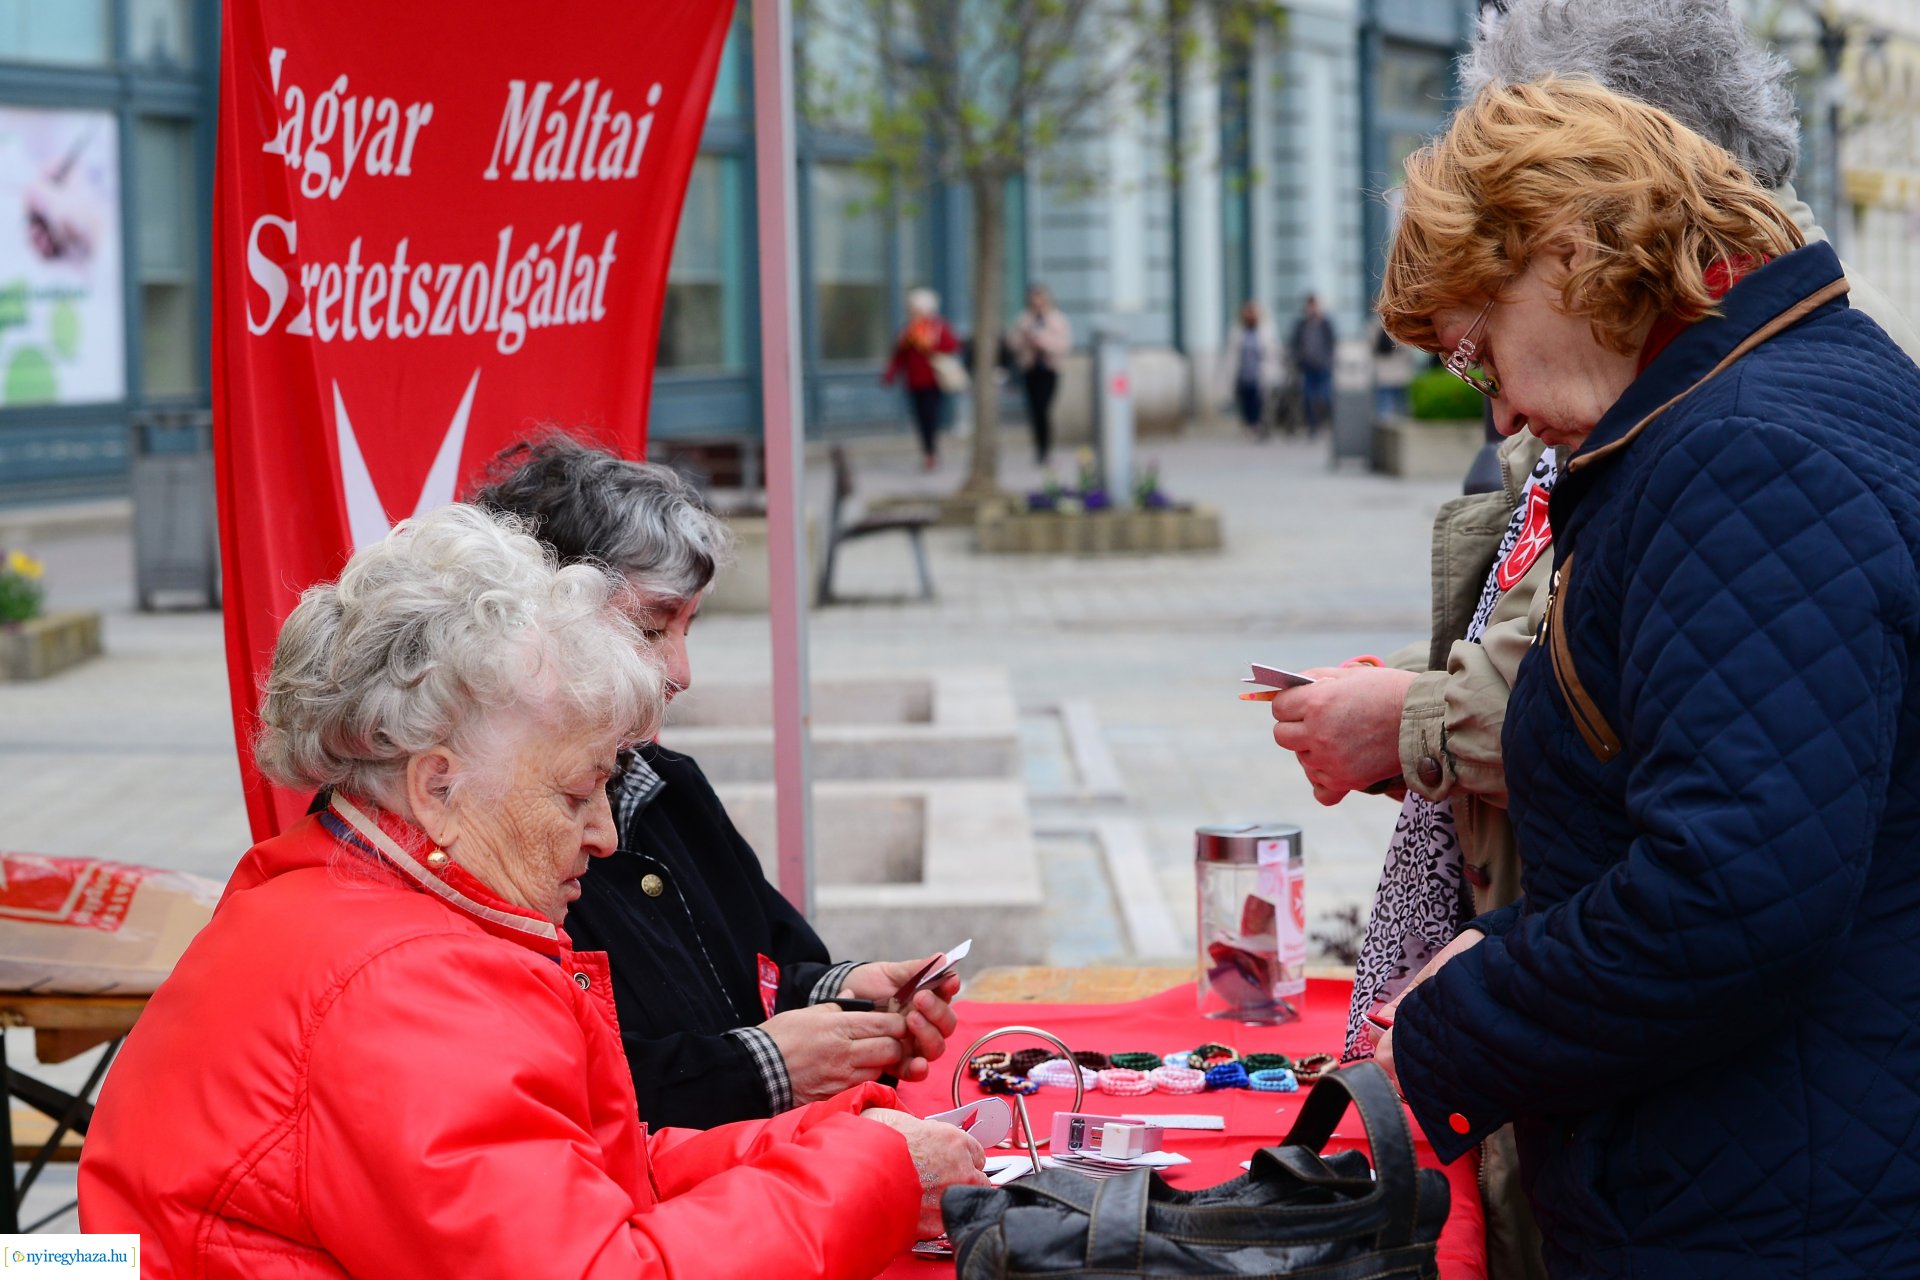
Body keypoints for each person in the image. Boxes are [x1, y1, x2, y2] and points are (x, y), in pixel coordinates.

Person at [1269, 7, 1920, 1270]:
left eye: (1477, 351)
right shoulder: (1806, 386)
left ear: (1565, 256)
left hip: (1765, 1205)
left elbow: (1729, 897)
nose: (1500, 402)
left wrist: (1463, 1016)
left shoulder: (1746, 456)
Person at [77, 504, 986, 1277]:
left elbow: (596, 1168)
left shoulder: (340, 890)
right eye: (574, 791)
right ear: (437, 786)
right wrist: (869, 1172)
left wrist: (840, 1145)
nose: (601, 832)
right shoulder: (409, 984)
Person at [469, 437, 961, 1130]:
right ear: (540, 630)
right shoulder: (480, 832)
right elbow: (549, 1092)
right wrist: (767, 1068)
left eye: (688, 627)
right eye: (650, 629)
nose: (681, 672)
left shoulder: (665, 784)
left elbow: (768, 965)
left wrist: (851, 1001)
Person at [882, 287, 961, 470]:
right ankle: (927, 452)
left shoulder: (938, 327)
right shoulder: (907, 330)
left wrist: (931, 345)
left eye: (914, 308)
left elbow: (952, 346)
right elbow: (899, 356)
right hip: (913, 381)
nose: (911, 312)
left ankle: (931, 452)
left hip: (933, 381)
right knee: (919, 418)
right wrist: (890, 374)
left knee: (929, 416)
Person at [1008, 283, 1073, 465]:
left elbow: (1064, 345)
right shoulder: (1024, 319)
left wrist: (1042, 341)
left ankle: (1046, 449)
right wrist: (1025, 336)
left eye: (1040, 300)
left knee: (1044, 409)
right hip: (1030, 370)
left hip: (1049, 370)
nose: (1037, 303)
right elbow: (1013, 344)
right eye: (1033, 300)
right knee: (1034, 411)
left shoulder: (1057, 319)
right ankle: (1039, 449)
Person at [1222, 300, 1281, 438]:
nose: (1250, 315)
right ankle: (1249, 424)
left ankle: (1257, 424)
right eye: (1247, 312)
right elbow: (1232, 354)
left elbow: (1272, 350)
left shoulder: (1266, 330)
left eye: (1252, 312)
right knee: (1246, 399)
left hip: (1260, 372)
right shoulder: (1237, 331)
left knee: (1258, 400)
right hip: (1243, 373)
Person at [1287, 294, 1336, 437]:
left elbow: (1331, 343)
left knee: (1325, 396)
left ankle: (1325, 423)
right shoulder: (1301, 325)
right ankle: (1312, 426)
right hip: (1307, 367)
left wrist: (1328, 359)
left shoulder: (1325, 324)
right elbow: (1295, 344)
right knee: (1308, 397)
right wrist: (1298, 357)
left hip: (1323, 367)